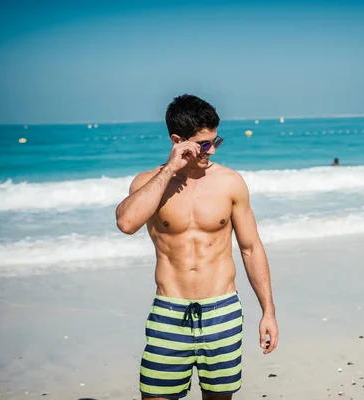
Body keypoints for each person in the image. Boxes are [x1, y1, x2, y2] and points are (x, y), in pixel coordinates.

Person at [115, 94, 279, 400]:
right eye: (203, 144)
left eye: (217, 141)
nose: (212, 150)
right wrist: (169, 171)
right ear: (177, 140)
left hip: (223, 311)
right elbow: (126, 223)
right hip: (169, 312)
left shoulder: (230, 182)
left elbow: (251, 248)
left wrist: (268, 311)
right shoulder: (150, 183)